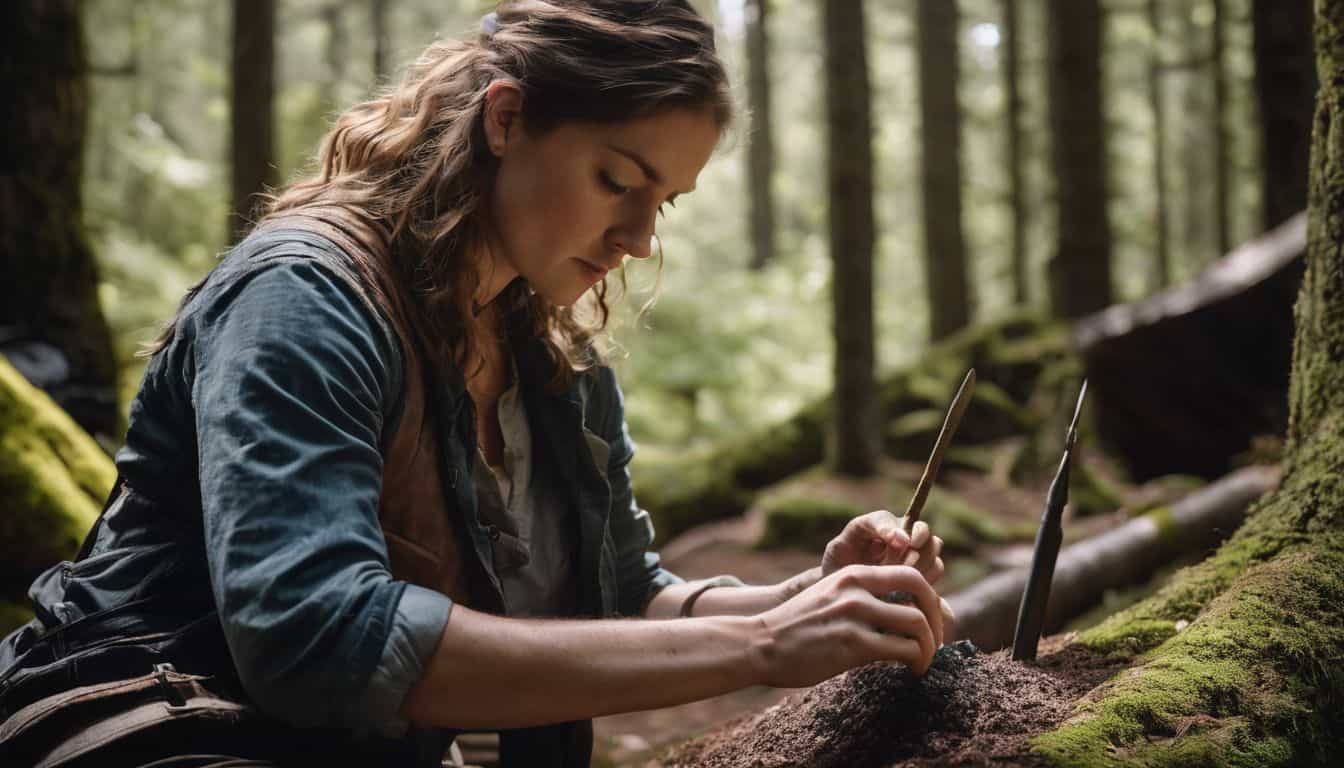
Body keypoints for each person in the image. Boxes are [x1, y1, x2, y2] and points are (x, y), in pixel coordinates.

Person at [0, 2, 949, 766]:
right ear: (505, 119)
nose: (640, 239)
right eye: (619, 179)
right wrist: (765, 649)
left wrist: (809, 601)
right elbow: (317, 638)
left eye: (663, 202)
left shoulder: (552, 361)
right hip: (137, 717)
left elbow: (623, 602)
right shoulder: (303, 295)